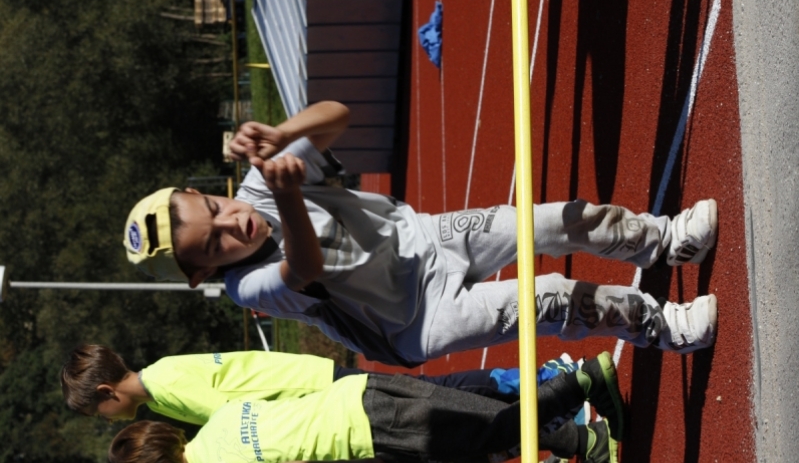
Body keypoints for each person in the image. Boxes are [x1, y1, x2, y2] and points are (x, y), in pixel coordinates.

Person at [123, 101, 718, 367]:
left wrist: (283, 134)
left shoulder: (259, 183)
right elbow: (303, 268)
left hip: (426, 239)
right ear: (204, 272)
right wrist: (286, 197)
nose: (232, 223)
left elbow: (337, 115)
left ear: (206, 189)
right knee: (553, 298)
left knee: (554, 219)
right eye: (215, 244)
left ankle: (665, 240)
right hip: (418, 320)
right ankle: (666, 328)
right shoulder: (246, 286)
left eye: (215, 207)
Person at [107, 352, 625, 463]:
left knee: (485, 433)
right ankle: (585, 439)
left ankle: (582, 382)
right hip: (356, 396)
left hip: (366, 431)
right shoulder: (216, 424)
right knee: (477, 427)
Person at [60, 344, 525, 425]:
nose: (104, 420)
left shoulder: (166, 385)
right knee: (425, 397)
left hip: (312, 392)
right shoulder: (160, 390)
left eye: (96, 413)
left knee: (428, 397)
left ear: (106, 393)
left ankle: (528, 384)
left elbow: (236, 422)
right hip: (310, 389)